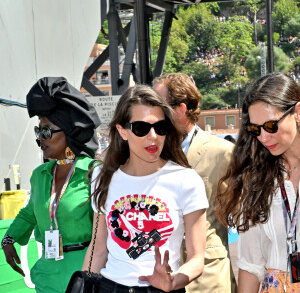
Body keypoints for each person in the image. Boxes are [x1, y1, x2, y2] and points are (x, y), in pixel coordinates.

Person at [82, 85, 208, 293]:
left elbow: (197, 258)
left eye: (160, 128)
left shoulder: (186, 180)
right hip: (110, 287)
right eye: (141, 128)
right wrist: (85, 287)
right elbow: (98, 249)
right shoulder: (102, 176)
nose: (153, 136)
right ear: (123, 131)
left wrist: (173, 281)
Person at [1, 77, 101, 292]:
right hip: (47, 275)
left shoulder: (94, 173)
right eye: (38, 132)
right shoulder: (40, 175)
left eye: (46, 131)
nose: (40, 139)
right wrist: (8, 239)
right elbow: (31, 212)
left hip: (85, 274)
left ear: (68, 131)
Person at [216, 72, 300, 292]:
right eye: (255, 129)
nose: (263, 137)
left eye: (271, 126)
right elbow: (251, 265)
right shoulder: (257, 179)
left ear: (297, 112)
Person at [153, 73, 236, 293]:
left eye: (158, 105)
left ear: (180, 109)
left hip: (209, 276)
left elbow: (239, 218)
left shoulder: (224, 153)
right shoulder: (148, 153)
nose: (151, 112)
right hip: (158, 275)